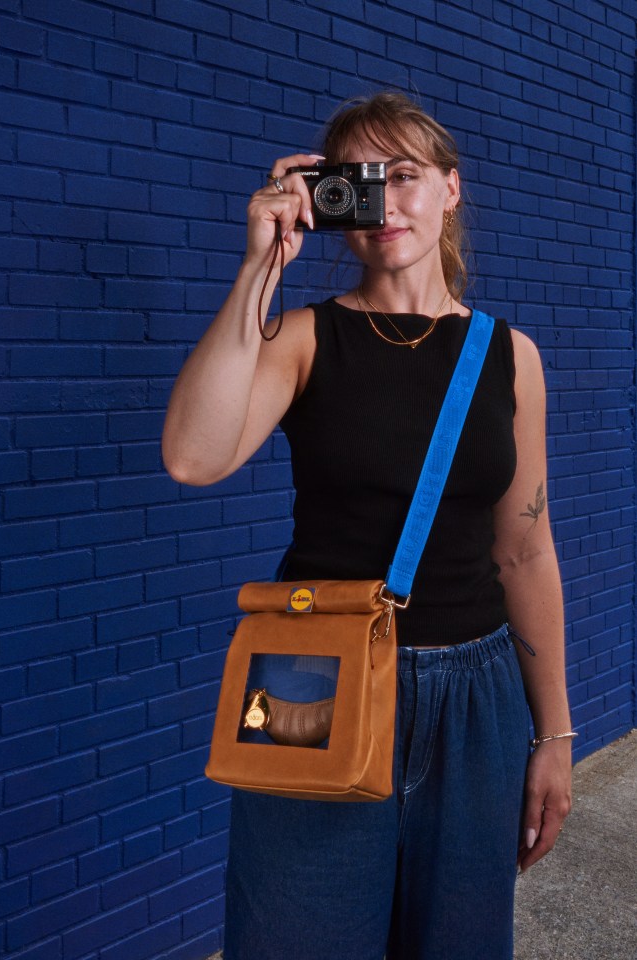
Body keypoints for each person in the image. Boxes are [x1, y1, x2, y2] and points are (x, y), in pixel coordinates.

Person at [162, 91, 574, 960]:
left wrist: (555, 736)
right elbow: (194, 457)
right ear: (328, 200)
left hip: (477, 703)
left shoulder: (511, 357)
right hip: (313, 678)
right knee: (295, 936)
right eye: (362, 181)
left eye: (409, 176)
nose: (388, 201)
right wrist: (260, 267)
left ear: (452, 191)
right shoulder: (303, 337)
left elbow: (525, 548)